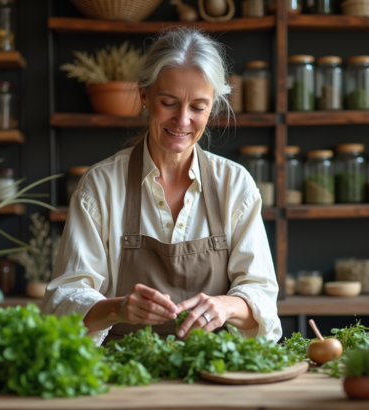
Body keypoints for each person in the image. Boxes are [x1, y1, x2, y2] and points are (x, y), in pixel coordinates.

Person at [42, 28, 282, 345]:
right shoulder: (101, 186)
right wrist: (118, 308)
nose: (182, 120)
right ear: (144, 96)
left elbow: (261, 295)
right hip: (122, 378)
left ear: (213, 107)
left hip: (213, 374)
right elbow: (63, 301)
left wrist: (224, 306)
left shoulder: (234, 185)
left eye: (198, 107)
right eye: (168, 102)